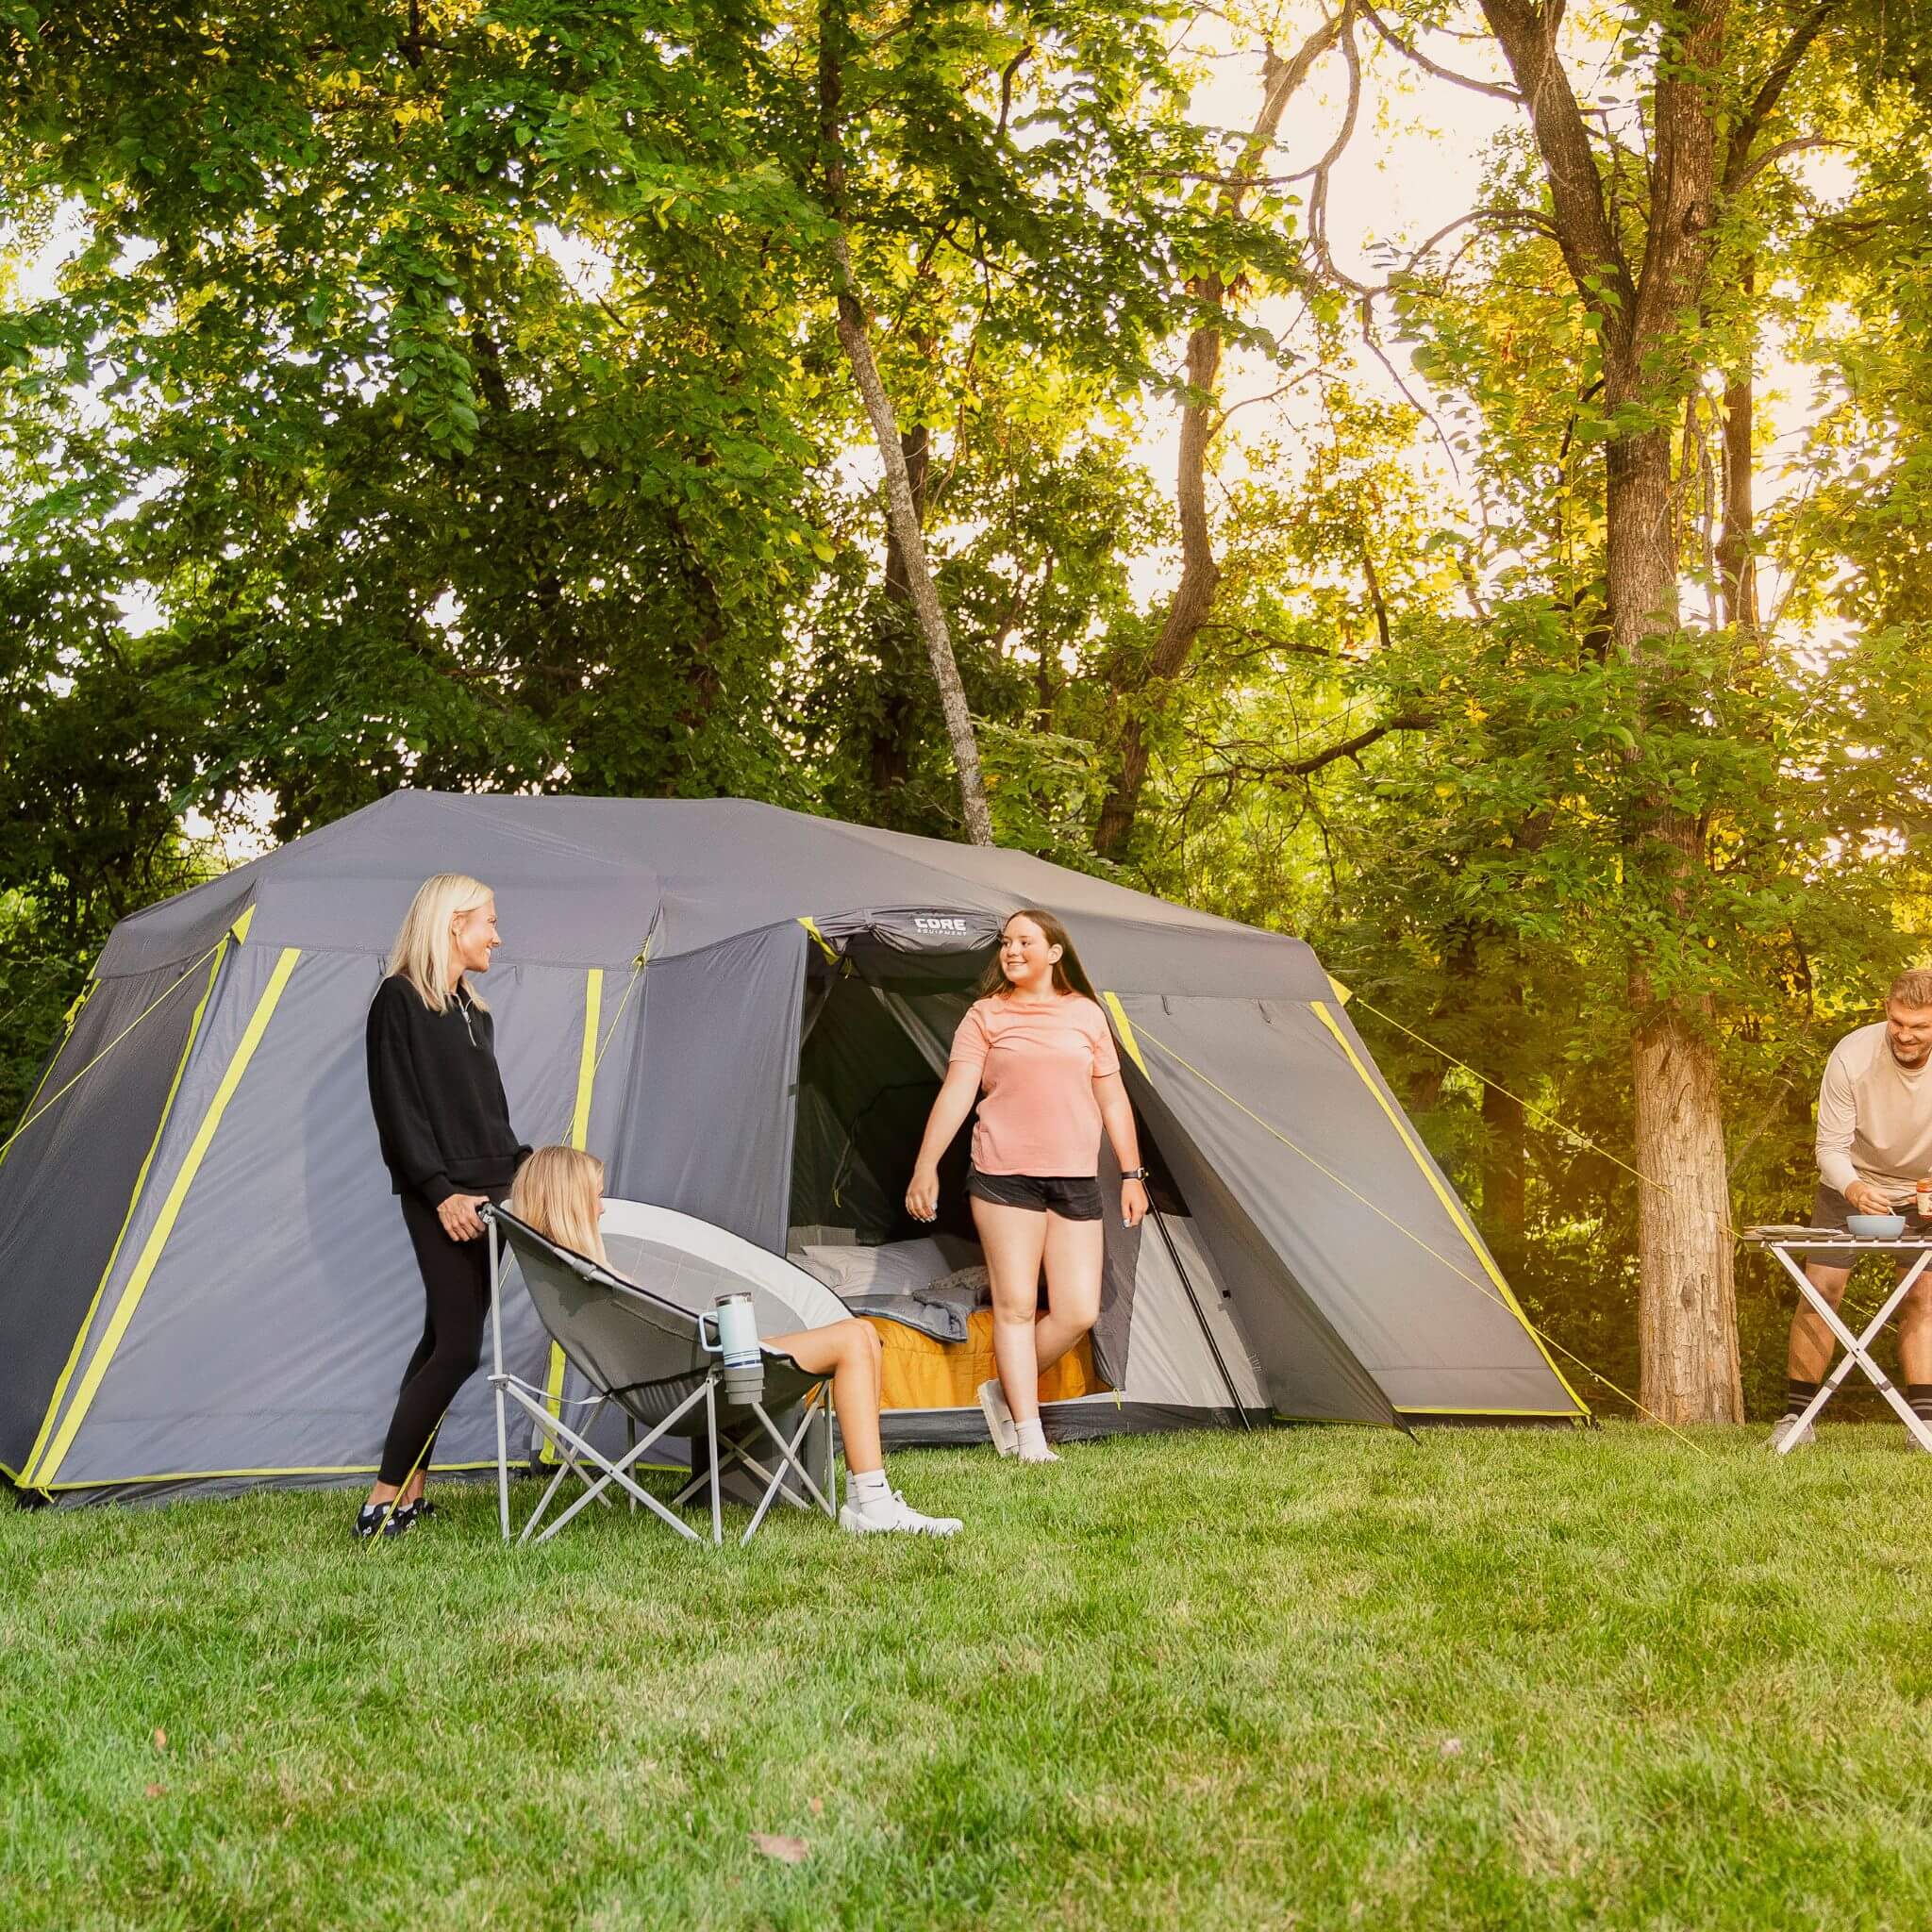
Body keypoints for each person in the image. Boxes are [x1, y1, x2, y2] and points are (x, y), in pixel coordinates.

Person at [509, 1144, 962, 1537]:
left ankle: (870, 1500)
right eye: (596, 1197)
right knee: (853, 1338)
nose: (603, 1209)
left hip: (698, 1362)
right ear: (570, 1203)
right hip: (697, 1378)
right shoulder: (595, 1276)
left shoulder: (575, 1276)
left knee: (862, 1332)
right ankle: (870, 1503)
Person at [905, 908, 1148, 1465]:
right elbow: (957, 1095)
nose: (1011, 951)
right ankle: (1028, 1434)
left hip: (1076, 1178)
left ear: (1054, 953)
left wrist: (1132, 1174)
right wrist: (926, 1165)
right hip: (1003, 1174)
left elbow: (1113, 1099)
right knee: (1015, 1307)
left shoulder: (1086, 1016)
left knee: (1078, 1310)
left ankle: (1003, 1390)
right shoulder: (984, 1016)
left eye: (1024, 942)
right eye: (1006, 943)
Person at [357, 874, 530, 1539]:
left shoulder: (474, 1012)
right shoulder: (397, 1002)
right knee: (458, 1350)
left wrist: (530, 1172)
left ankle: (410, 1497)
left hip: (495, 1197)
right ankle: (379, 1503)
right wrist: (439, 1191)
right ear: (453, 924)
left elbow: (490, 1119)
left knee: (438, 1341)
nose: (497, 934)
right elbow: (398, 1112)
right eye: (489, 920)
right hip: (446, 1197)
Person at [1770, 968, 1932, 1450]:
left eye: (1919, 1026)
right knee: (1821, 1289)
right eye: (1898, 1021)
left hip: (1923, 1189)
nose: (1905, 1034)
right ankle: (1796, 1419)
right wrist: (1855, 1188)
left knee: (1924, 1294)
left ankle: (1923, 1423)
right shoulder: (1852, 1055)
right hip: (1851, 1184)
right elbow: (1830, 1148)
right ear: (1887, 1010)